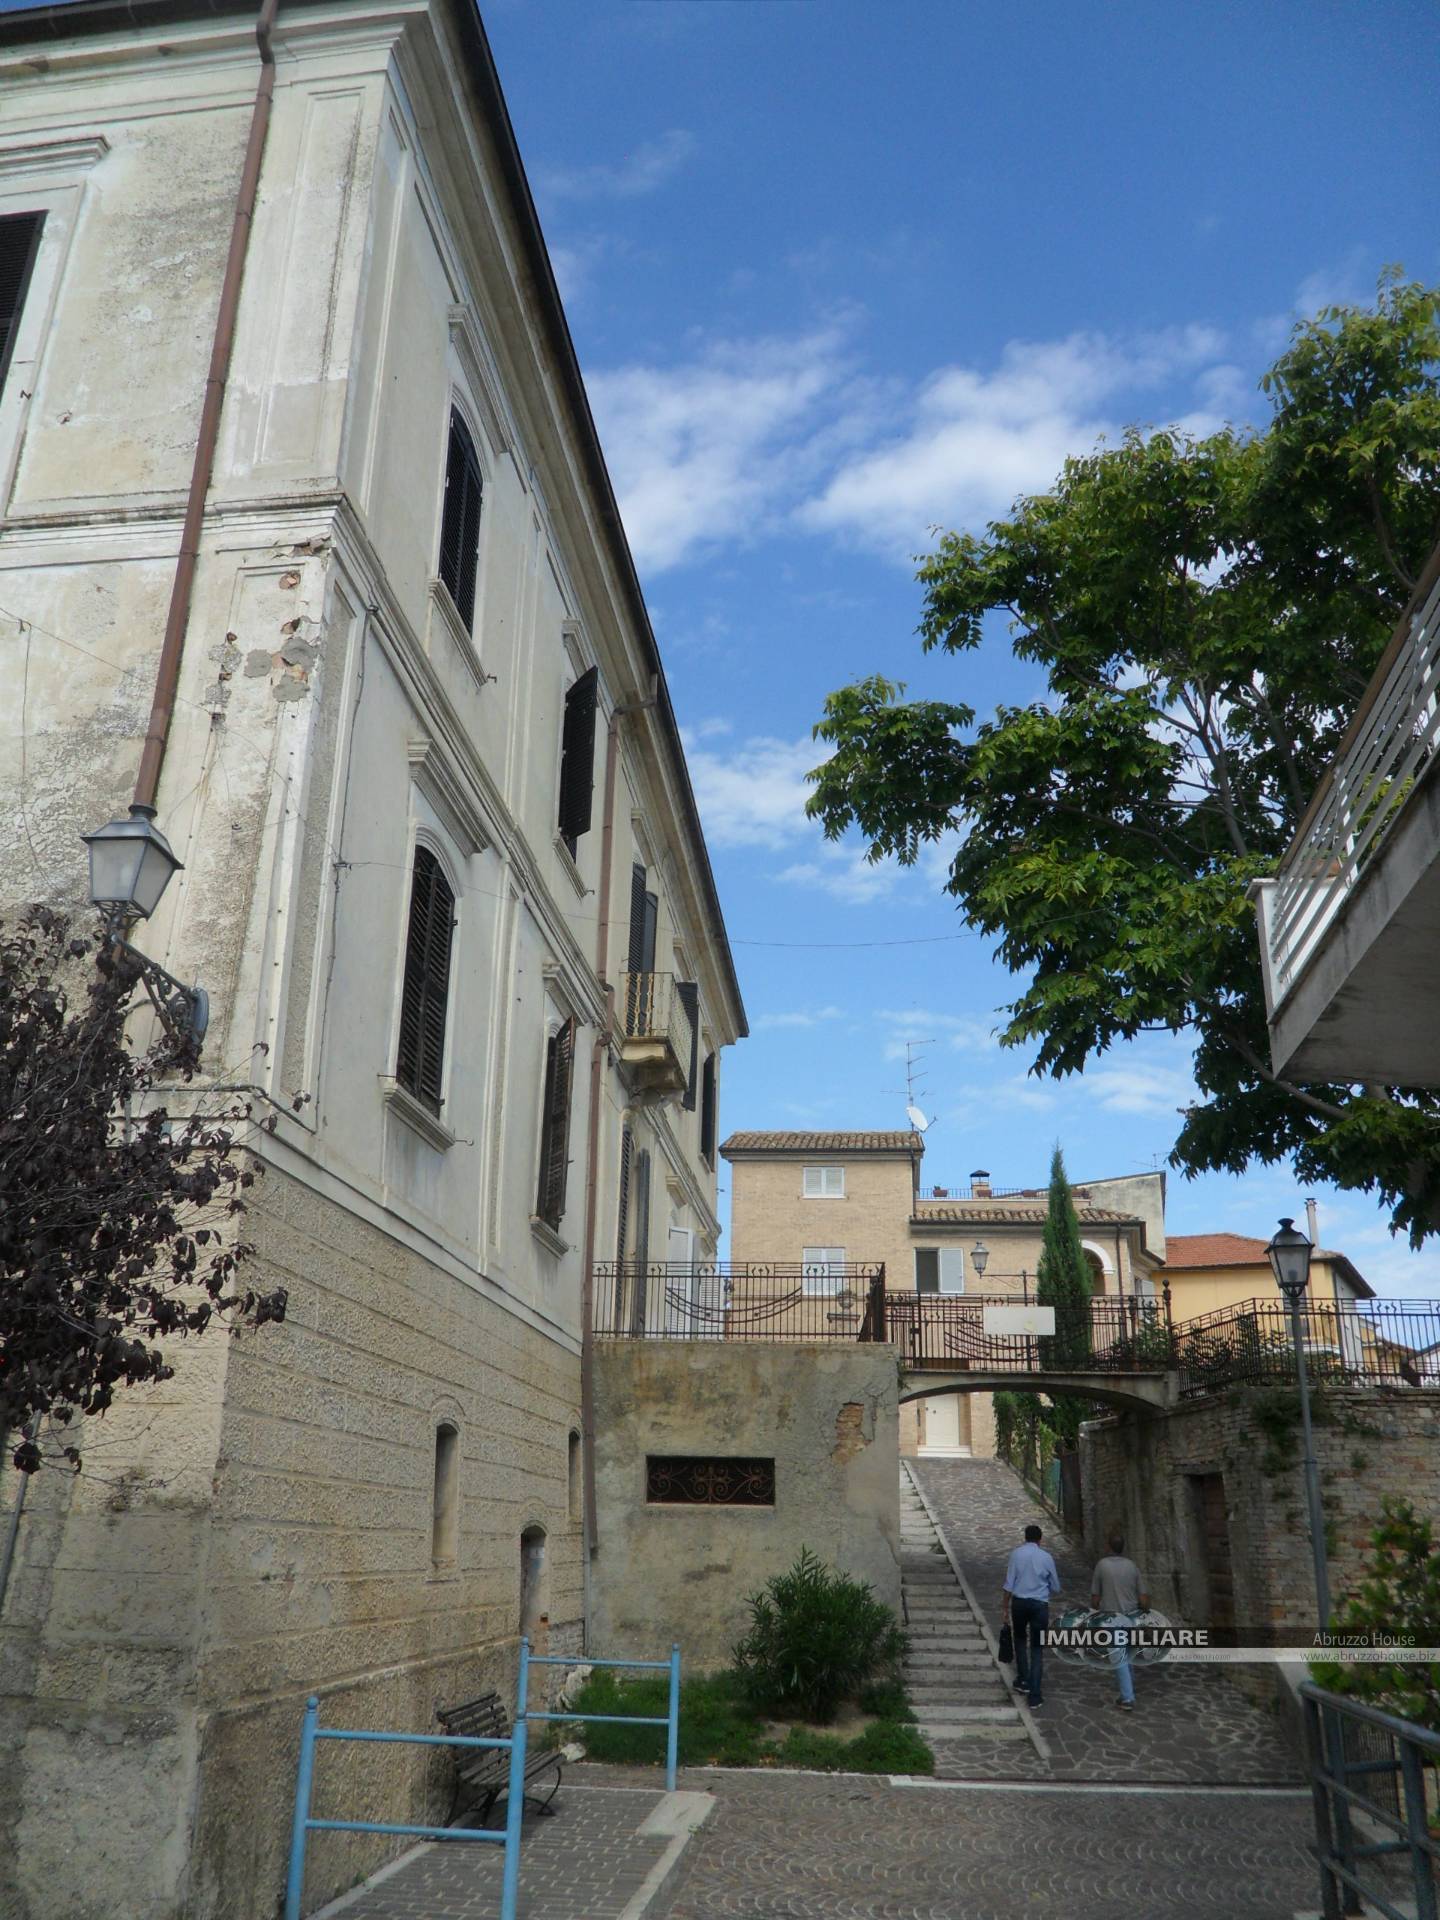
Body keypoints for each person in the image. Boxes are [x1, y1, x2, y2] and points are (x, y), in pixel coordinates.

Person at [1002, 1522, 1060, 1708]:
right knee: (1037, 1648)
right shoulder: (1046, 1557)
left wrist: (1004, 1607)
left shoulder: (1016, 1554)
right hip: (1039, 1606)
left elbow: (1009, 1583)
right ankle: (1035, 1695)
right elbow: (1056, 1586)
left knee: (1019, 1640)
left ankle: (1023, 1679)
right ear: (1040, 1540)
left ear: (1025, 1538)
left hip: (1019, 1603)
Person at [1090, 1529, 1150, 1711]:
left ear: (1108, 1546)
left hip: (1111, 1618)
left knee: (1119, 1657)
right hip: (1131, 1617)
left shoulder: (1102, 1566)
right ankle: (1128, 1688)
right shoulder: (1132, 1566)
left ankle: (1127, 1697)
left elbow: (1095, 1596)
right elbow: (1144, 1596)